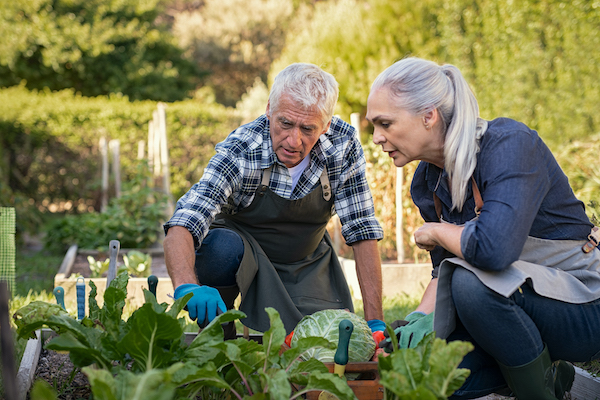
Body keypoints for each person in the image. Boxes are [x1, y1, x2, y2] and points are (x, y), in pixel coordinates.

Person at [366, 56, 600, 399]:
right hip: (512, 307)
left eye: (385, 123)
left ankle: (545, 392)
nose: (376, 138)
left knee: (471, 285)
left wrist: (435, 231)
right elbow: (444, 271)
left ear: (428, 116)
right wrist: (415, 323)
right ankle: (564, 380)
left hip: (583, 304)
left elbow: (493, 249)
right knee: (438, 377)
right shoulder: (427, 181)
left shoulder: (509, 146)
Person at [163, 62, 385, 339]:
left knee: (318, 344)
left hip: (306, 260)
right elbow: (186, 219)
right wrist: (187, 286)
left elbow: (361, 228)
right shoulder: (242, 149)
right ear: (269, 109)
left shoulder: (342, 144)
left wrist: (376, 323)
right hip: (243, 255)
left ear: (326, 125)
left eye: (307, 129)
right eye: (285, 123)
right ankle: (218, 336)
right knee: (219, 249)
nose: (293, 140)